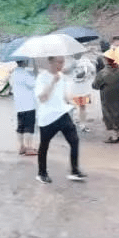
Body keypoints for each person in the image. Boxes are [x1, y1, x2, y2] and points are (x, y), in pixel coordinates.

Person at [35, 56, 86, 184]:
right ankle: (42, 173)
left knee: (74, 140)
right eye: (59, 62)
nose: (61, 64)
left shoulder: (62, 77)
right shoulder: (42, 77)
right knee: (44, 145)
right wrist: (52, 82)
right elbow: (42, 98)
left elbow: (64, 96)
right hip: (47, 117)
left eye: (63, 61)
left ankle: (74, 171)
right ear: (51, 62)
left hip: (62, 114)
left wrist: (75, 101)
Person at [92, 55, 119, 143]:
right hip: (118, 95)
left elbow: (95, 86)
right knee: (118, 112)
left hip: (106, 97)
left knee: (109, 114)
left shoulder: (102, 73)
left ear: (106, 61)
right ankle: (118, 134)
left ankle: (114, 137)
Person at [10, 60, 37, 155]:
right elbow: (33, 84)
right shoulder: (26, 73)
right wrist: (35, 74)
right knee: (29, 127)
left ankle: (21, 146)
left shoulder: (13, 73)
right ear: (24, 62)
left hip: (19, 104)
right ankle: (29, 148)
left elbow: (11, 85)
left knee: (20, 126)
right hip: (28, 104)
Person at [67, 53, 95, 132]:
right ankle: (80, 124)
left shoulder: (76, 62)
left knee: (74, 106)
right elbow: (93, 71)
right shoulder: (86, 61)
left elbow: (68, 72)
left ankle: (74, 123)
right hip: (81, 89)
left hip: (77, 89)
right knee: (80, 107)